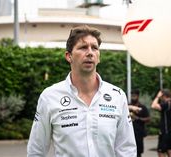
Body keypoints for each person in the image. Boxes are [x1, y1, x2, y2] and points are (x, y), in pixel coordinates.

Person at [27, 25, 137, 157]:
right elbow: (36, 150)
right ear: (69, 56)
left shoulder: (117, 96)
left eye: (94, 48)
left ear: (99, 57)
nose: (90, 52)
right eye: (83, 47)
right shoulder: (49, 96)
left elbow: (127, 149)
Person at [151, 89, 171, 157]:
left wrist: (157, 97)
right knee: (169, 150)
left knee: (160, 151)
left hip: (166, 132)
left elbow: (153, 106)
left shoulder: (167, 104)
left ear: (163, 95)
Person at [129, 89, 150, 157]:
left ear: (138, 96)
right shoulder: (128, 106)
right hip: (129, 132)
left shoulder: (142, 107)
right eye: (132, 95)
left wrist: (137, 118)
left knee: (138, 152)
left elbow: (148, 119)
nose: (133, 97)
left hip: (138, 133)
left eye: (134, 96)